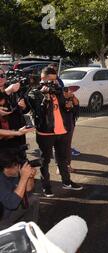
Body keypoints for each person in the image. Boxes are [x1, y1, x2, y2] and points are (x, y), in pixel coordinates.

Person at [26, 67, 83, 198]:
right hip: (45, 133)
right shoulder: (34, 93)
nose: (54, 82)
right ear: (43, 79)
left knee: (62, 159)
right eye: (51, 80)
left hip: (61, 131)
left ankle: (67, 182)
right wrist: (46, 97)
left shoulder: (58, 92)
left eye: (55, 79)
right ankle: (46, 187)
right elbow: (39, 113)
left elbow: (66, 110)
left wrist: (69, 105)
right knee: (44, 161)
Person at [0, 149, 39, 230]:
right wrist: (24, 177)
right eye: (16, 165)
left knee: (33, 199)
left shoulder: (14, 174)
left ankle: (30, 230)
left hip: (8, 212)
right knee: (11, 234)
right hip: (2, 219)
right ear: (6, 168)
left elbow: (28, 191)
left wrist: (30, 177)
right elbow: (12, 204)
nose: (18, 167)